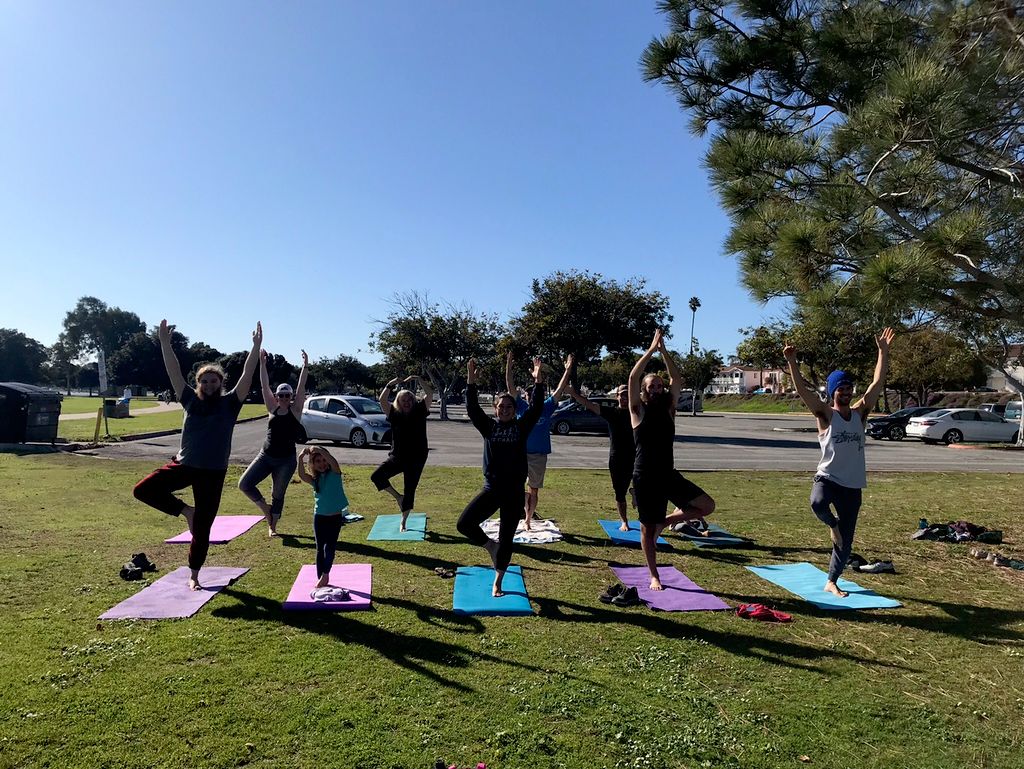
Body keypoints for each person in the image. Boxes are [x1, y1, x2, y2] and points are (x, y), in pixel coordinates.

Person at [133, 319, 262, 591]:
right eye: (205, 380)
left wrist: (255, 347)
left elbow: (247, 376)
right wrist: (165, 343)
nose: (210, 384)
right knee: (142, 490)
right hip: (185, 465)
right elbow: (173, 371)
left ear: (221, 382)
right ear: (198, 382)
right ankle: (185, 511)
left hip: (214, 473)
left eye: (214, 380)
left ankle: (194, 574)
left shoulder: (230, 404)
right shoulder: (189, 398)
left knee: (203, 528)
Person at [784, 328, 895, 598]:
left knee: (845, 542)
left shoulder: (860, 412)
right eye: (841, 389)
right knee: (817, 503)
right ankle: (831, 525)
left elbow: (876, 383)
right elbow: (803, 392)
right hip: (828, 478)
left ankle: (832, 580)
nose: (846, 393)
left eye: (849, 389)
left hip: (852, 485)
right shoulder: (825, 415)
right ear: (833, 391)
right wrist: (792, 363)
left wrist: (883, 352)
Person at [629, 329, 716, 591]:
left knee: (707, 506)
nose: (656, 388)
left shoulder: (669, 409)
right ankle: (654, 574)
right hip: (645, 476)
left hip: (668, 474)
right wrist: (650, 351)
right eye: (651, 386)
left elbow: (677, 378)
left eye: (659, 385)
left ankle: (666, 522)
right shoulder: (638, 410)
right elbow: (633, 377)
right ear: (644, 391)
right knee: (646, 529)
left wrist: (663, 351)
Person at [457, 356, 545, 597]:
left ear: (514, 410)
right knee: (464, 524)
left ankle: (498, 581)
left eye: (509, 407)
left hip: (514, 492)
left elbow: (537, 408)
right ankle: (489, 546)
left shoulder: (521, 426)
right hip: (492, 488)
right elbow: (472, 408)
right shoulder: (489, 427)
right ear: (495, 410)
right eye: (501, 407)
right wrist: (471, 379)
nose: (505, 410)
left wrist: (538, 382)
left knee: (507, 538)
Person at [238, 348, 309, 537]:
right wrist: (262, 364)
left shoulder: (296, 410)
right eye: (281, 395)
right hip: (266, 456)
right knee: (244, 484)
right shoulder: (272, 407)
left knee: (278, 494)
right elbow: (264, 386)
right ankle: (265, 509)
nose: (285, 398)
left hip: (286, 460)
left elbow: (302, 387)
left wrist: (305, 367)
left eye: (288, 395)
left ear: (291, 396)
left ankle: (273, 526)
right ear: (276, 396)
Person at [505, 351, 573, 530]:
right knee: (516, 488)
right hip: (520, 454)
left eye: (534, 393)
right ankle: (517, 514)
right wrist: (508, 367)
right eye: (528, 394)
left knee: (533, 489)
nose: (530, 396)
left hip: (538, 456)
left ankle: (528, 519)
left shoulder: (547, 407)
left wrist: (568, 369)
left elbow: (560, 388)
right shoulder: (521, 407)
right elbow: (510, 387)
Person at [370, 375, 433, 532]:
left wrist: (419, 380)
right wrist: (391, 384)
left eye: (409, 400)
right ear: (398, 402)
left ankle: (403, 521)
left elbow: (429, 394)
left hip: (417, 458)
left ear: (413, 401)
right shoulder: (393, 413)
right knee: (376, 476)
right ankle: (398, 497)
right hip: (397, 456)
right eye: (403, 400)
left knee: (410, 489)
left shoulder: (420, 410)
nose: (407, 403)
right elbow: (382, 400)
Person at [568, 383, 634, 531]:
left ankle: (637, 495)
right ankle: (624, 521)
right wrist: (573, 393)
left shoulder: (637, 412)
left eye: (627, 394)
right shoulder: (612, 413)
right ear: (617, 397)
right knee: (619, 492)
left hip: (636, 458)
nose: (624, 397)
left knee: (644, 488)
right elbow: (588, 404)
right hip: (617, 458)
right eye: (622, 394)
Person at [296, 446, 350, 589]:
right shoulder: (315, 479)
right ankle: (321, 578)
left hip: (335, 517)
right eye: (318, 461)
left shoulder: (335, 472)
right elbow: (302, 475)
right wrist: (300, 458)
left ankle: (325, 574)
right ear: (313, 464)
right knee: (320, 548)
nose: (322, 463)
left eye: (324, 460)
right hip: (319, 517)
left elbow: (333, 462)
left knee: (330, 547)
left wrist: (318, 449)